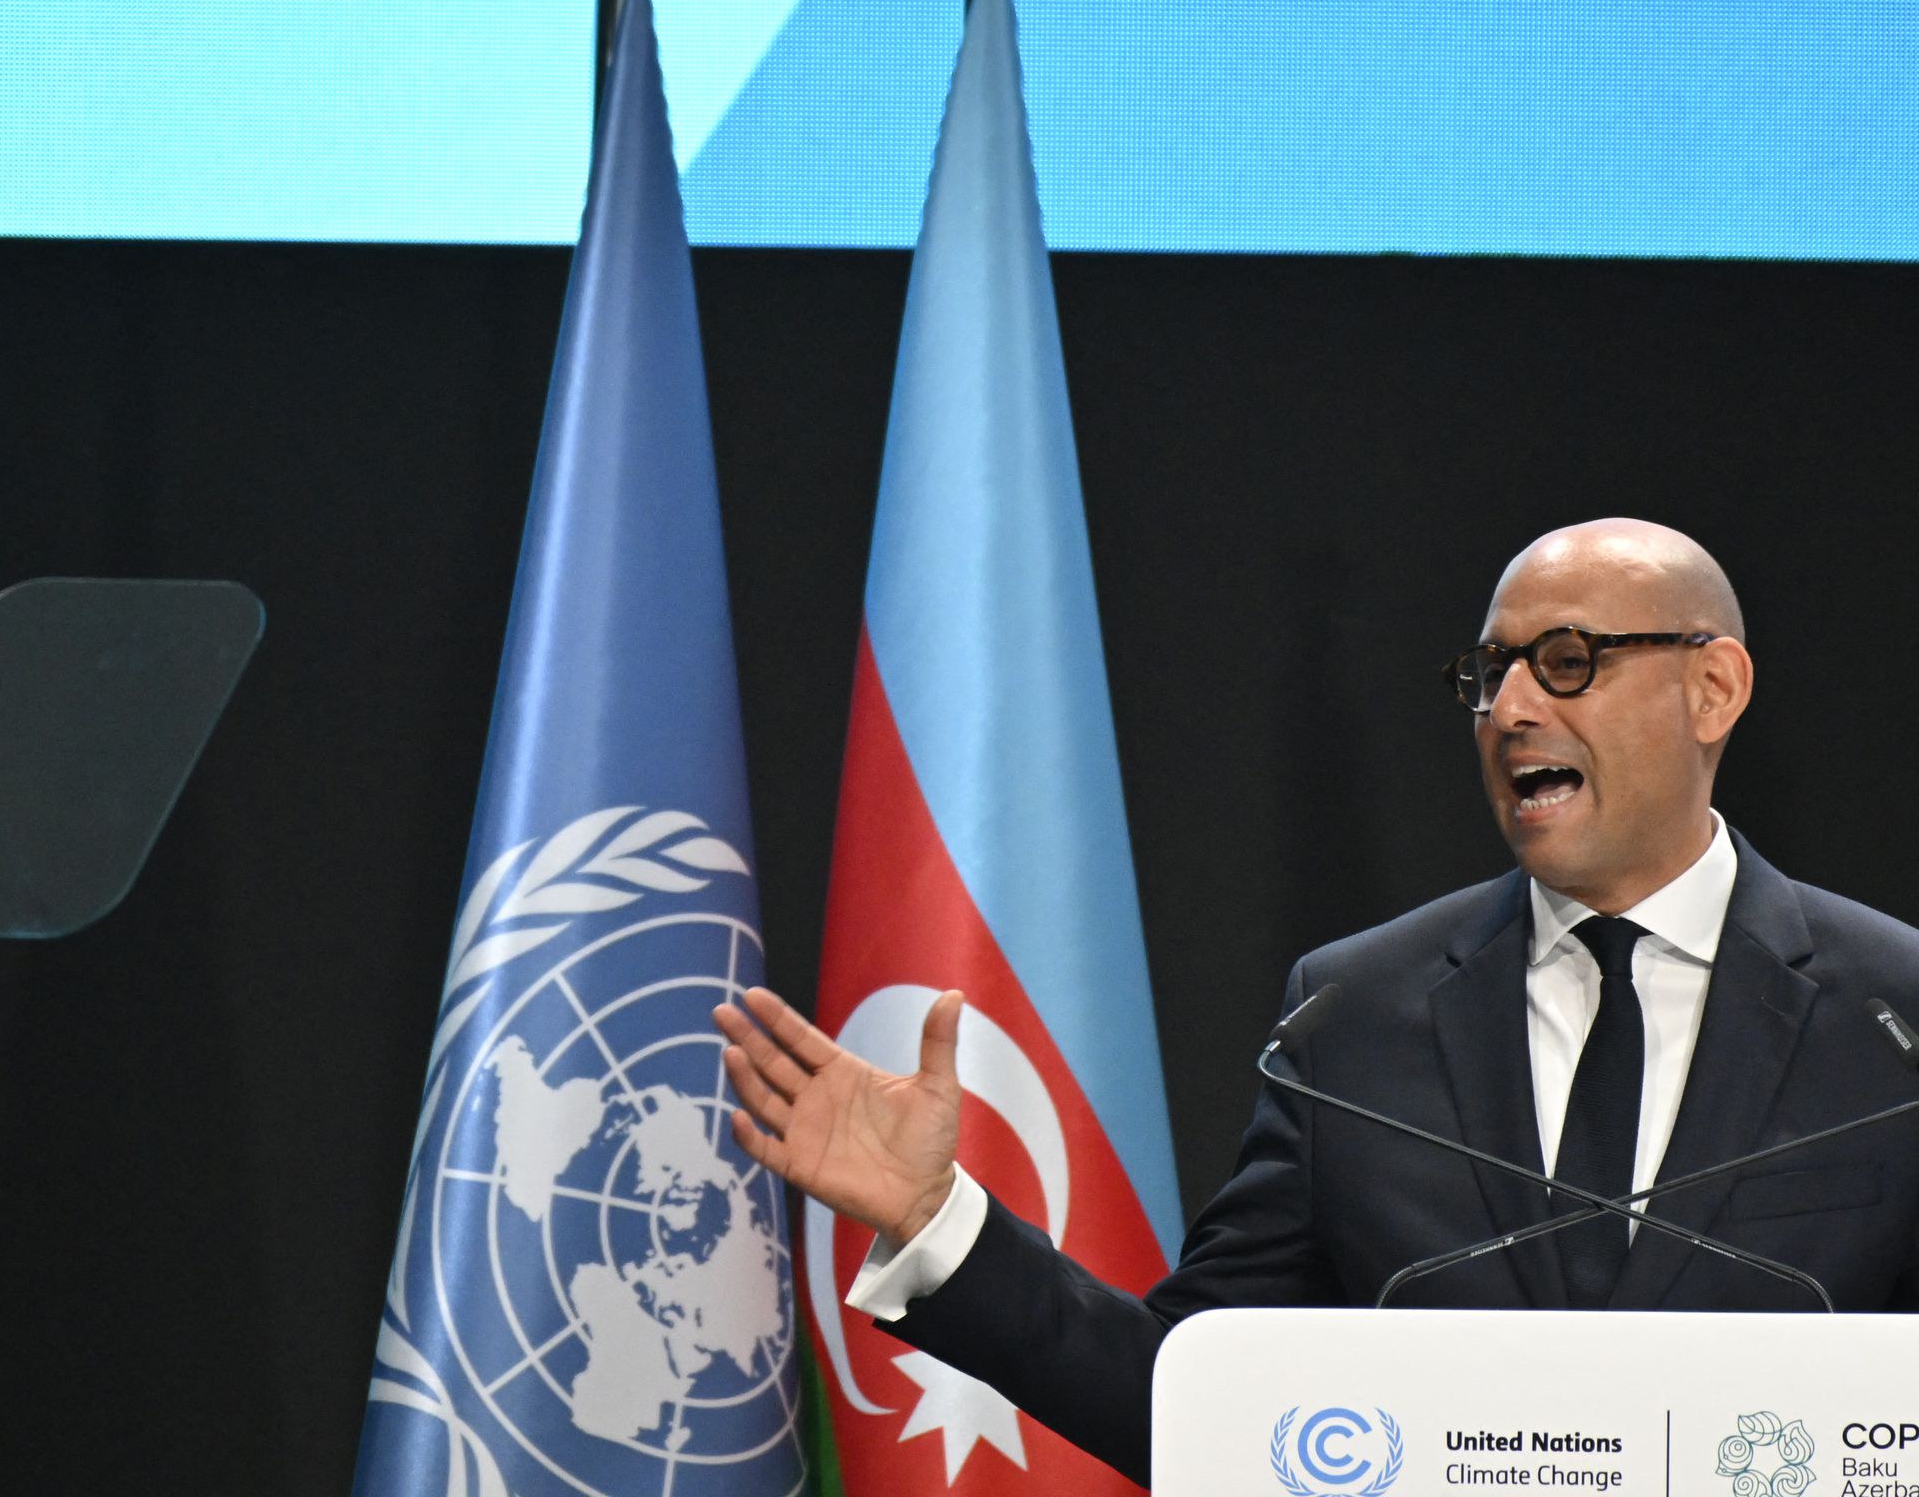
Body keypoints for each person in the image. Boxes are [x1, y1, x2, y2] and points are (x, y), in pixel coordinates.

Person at [717, 520, 1919, 1481]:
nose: (1510, 712)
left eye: (1566, 663)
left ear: (1713, 687)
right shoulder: (1357, 1015)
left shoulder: (1895, 1019)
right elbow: (1189, 1396)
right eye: (1488, 675)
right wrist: (938, 1221)